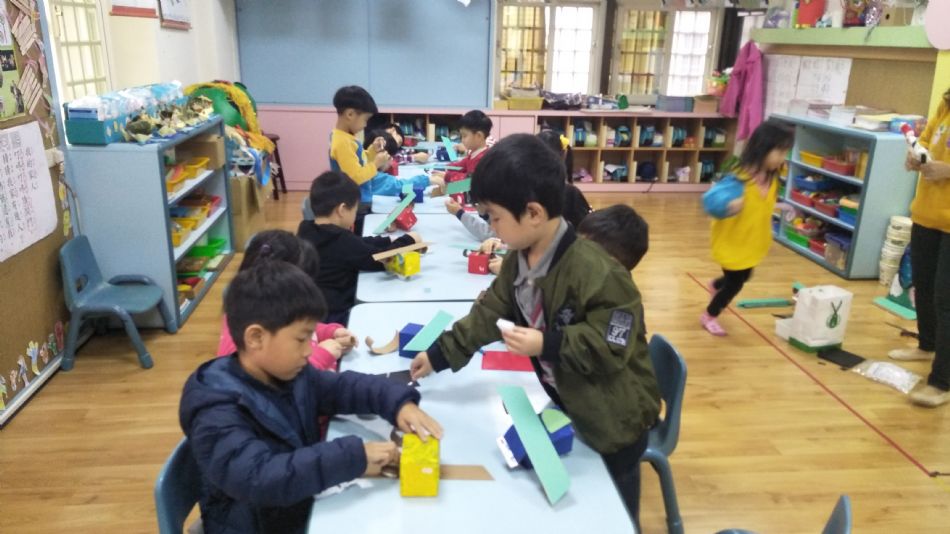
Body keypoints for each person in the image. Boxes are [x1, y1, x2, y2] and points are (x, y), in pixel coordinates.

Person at [408, 134, 659, 527]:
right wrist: (440, 353)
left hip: (616, 419)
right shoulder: (520, 259)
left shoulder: (601, 273)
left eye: (494, 217)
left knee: (614, 515)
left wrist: (548, 343)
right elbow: (489, 313)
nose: (491, 226)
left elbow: (613, 346)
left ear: (533, 213)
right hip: (572, 401)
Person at [180, 260, 443, 533]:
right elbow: (260, 478)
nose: (309, 351)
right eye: (301, 339)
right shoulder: (216, 410)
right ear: (256, 338)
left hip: (293, 503)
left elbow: (342, 388)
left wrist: (398, 403)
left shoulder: (286, 372)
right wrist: (353, 457)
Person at [701, 119, 794, 336]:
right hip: (733, 243)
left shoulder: (771, 177)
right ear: (762, 148)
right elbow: (711, 201)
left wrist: (782, 206)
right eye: (779, 152)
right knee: (735, 284)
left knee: (744, 276)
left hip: (752, 241)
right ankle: (710, 315)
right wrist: (729, 206)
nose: (782, 158)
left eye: (785, 152)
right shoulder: (739, 179)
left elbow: (762, 203)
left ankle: (716, 285)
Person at [216, 230, 356, 371]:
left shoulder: (278, 311)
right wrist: (321, 356)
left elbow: (300, 328)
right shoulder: (242, 346)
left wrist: (330, 332)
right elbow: (278, 381)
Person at [889, 87, 950, 408]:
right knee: (923, 284)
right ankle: (927, 345)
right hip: (927, 213)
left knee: (946, 300)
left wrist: (948, 170)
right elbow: (925, 139)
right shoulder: (946, 103)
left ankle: (942, 382)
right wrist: (915, 156)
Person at [297, 171, 423, 325]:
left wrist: (388, 239)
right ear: (342, 210)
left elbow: (358, 244)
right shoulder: (341, 241)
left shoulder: (307, 229)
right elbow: (381, 258)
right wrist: (409, 240)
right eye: (354, 210)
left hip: (313, 308)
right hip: (335, 316)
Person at [329, 85, 390, 234]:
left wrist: (372, 150)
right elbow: (355, 177)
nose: (365, 125)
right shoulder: (343, 142)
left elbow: (360, 161)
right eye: (365, 119)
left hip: (361, 199)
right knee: (361, 233)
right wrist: (376, 164)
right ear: (350, 114)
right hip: (356, 202)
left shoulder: (347, 138)